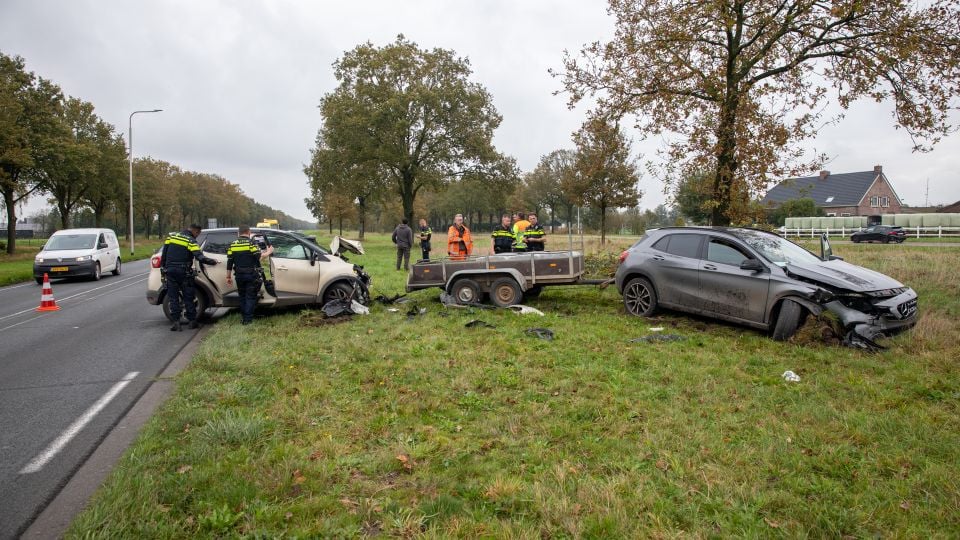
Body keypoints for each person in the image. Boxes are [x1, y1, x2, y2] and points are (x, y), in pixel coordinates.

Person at [159, 224, 217, 331]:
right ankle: (192, 322)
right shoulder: (191, 241)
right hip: (184, 272)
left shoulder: (171, 237)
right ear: (196, 231)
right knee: (188, 297)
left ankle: (176, 323)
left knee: (173, 298)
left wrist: (163, 268)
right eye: (198, 234)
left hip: (170, 271)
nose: (197, 236)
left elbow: (164, 255)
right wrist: (212, 261)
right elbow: (199, 257)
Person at [226, 225, 274, 325]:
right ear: (249, 232)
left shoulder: (233, 244)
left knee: (242, 296)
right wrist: (269, 251)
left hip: (239, 275)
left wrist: (228, 276)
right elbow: (259, 256)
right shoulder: (251, 243)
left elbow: (229, 262)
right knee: (250, 297)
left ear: (239, 233)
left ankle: (244, 317)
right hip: (251, 275)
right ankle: (247, 320)